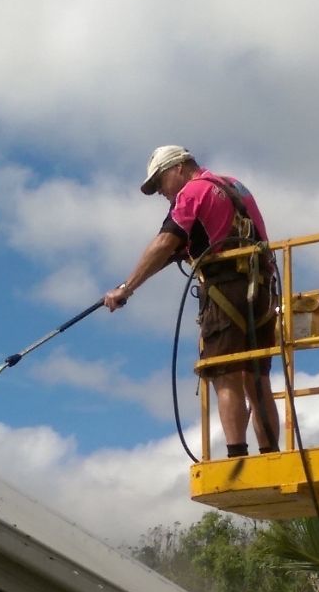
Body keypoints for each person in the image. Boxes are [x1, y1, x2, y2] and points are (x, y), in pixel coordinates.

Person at [104, 146, 280, 458]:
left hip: (226, 290)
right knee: (256, 376)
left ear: (180, 168)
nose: (160, 191)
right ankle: (270, 453)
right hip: (263, 289)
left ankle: (236, 457)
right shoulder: (234, 186)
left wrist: (126, 288)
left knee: (224, 372)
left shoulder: (192, 192)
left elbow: (164, 243)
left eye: (160, 181)